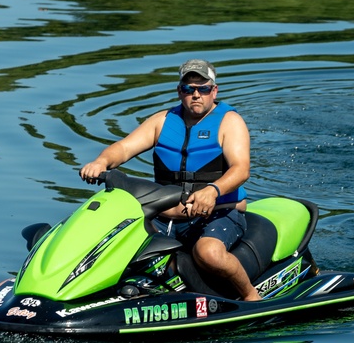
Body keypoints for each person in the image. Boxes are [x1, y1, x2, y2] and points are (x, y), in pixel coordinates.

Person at [80, 59, 261, 302]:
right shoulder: (162, 121)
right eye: (189, 89)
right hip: (167, 217)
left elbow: (241, 169)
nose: (196, 95)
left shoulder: (229, 122)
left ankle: (251, 297)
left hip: (219, 211)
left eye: (203, 88)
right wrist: (101, 162)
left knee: (208, 253)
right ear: (180, 92)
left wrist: (213, 190)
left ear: (214, 91)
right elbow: (123, 149)